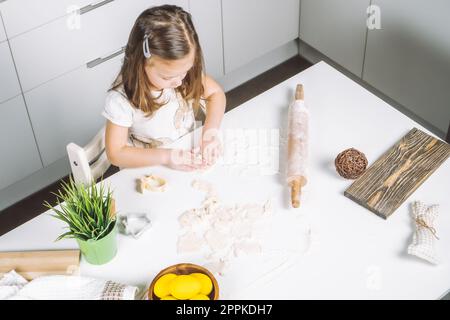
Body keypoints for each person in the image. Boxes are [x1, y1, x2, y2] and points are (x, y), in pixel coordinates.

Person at [102, 5, 226, 171]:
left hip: (184, 155)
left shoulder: (179, 73)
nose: (178, 82)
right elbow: (116, 153)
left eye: (185, 72)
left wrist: (210, 134)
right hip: (148, 169)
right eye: (167, 77)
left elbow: (215, 93)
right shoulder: (121, 100)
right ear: (141, 63)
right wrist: (167, 156)